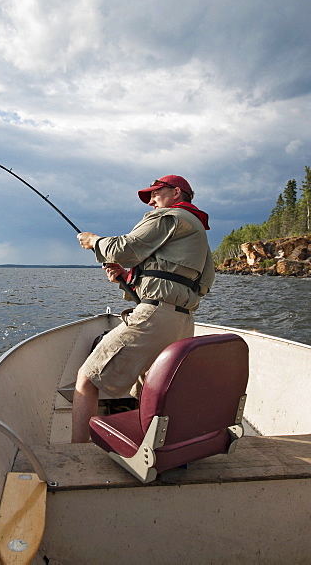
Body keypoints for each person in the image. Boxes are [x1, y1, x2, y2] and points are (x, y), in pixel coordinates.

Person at [72, 175, 215, 443]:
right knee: (150, 391)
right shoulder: (199, 236)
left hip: (155, 320)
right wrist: (127, 278)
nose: (151, 201)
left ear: (176, 193)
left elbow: (125, 249)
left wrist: (95, 241)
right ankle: (146, 446)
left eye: (155, 194)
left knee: (86, 380)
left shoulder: (170, 216)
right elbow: (196, 283)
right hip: (182, 324)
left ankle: (76, 457)